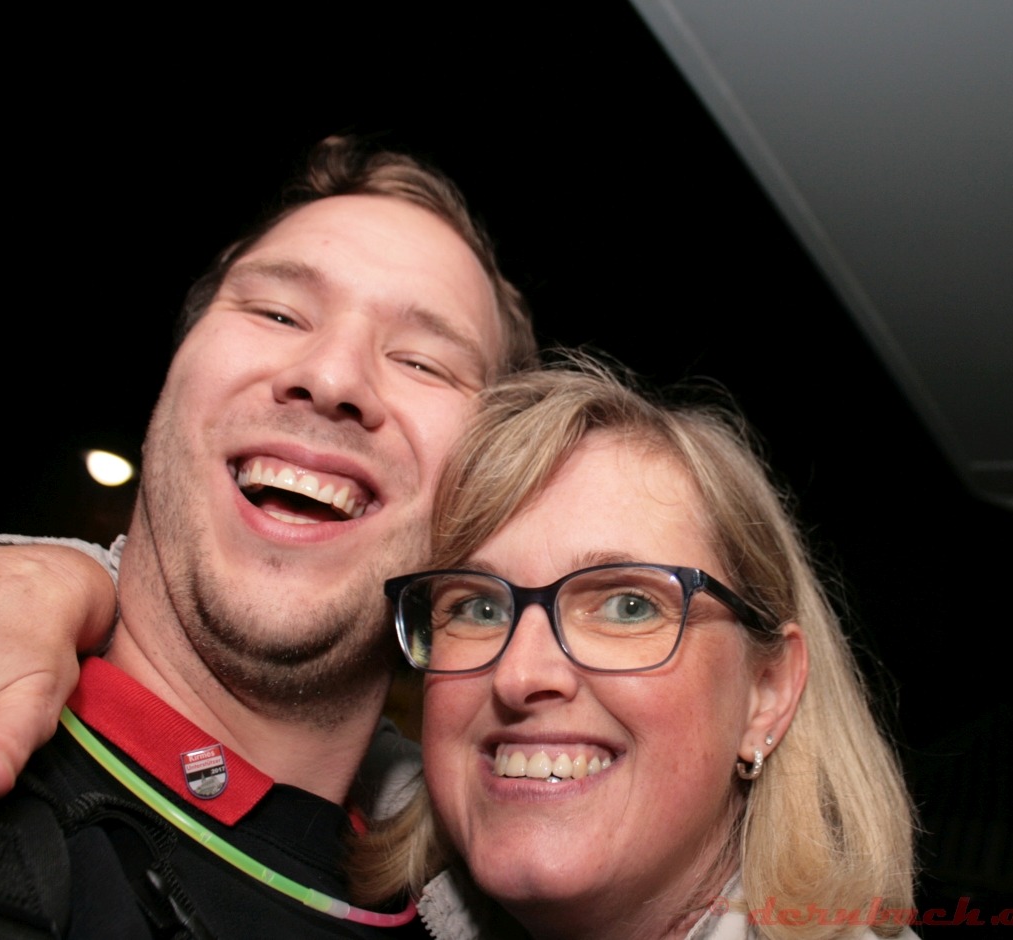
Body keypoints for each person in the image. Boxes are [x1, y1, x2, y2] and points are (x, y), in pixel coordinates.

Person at [0, 133, 534, 938]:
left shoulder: (499, 905)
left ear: (485, 496)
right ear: (174, 377)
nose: (331, 376)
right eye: (278, 313)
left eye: (421, 362)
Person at [348, 363, 916, 939]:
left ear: (766, 693)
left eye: (628, 606)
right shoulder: (348, 802)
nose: (519, 675)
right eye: (479, 608)